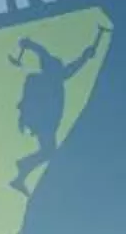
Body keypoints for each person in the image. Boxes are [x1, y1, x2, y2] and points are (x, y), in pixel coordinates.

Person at [8, 24, 105, 194]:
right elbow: (46, 55)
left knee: (48, 151)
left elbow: (73, 66)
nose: (61, 69)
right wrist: (30, 45)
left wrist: (85, 55)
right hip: (42, 121)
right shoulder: (45, 79)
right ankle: (23, 167)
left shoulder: (51, 78)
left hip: (45, 121)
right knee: (48, 151)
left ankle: (21, 175)